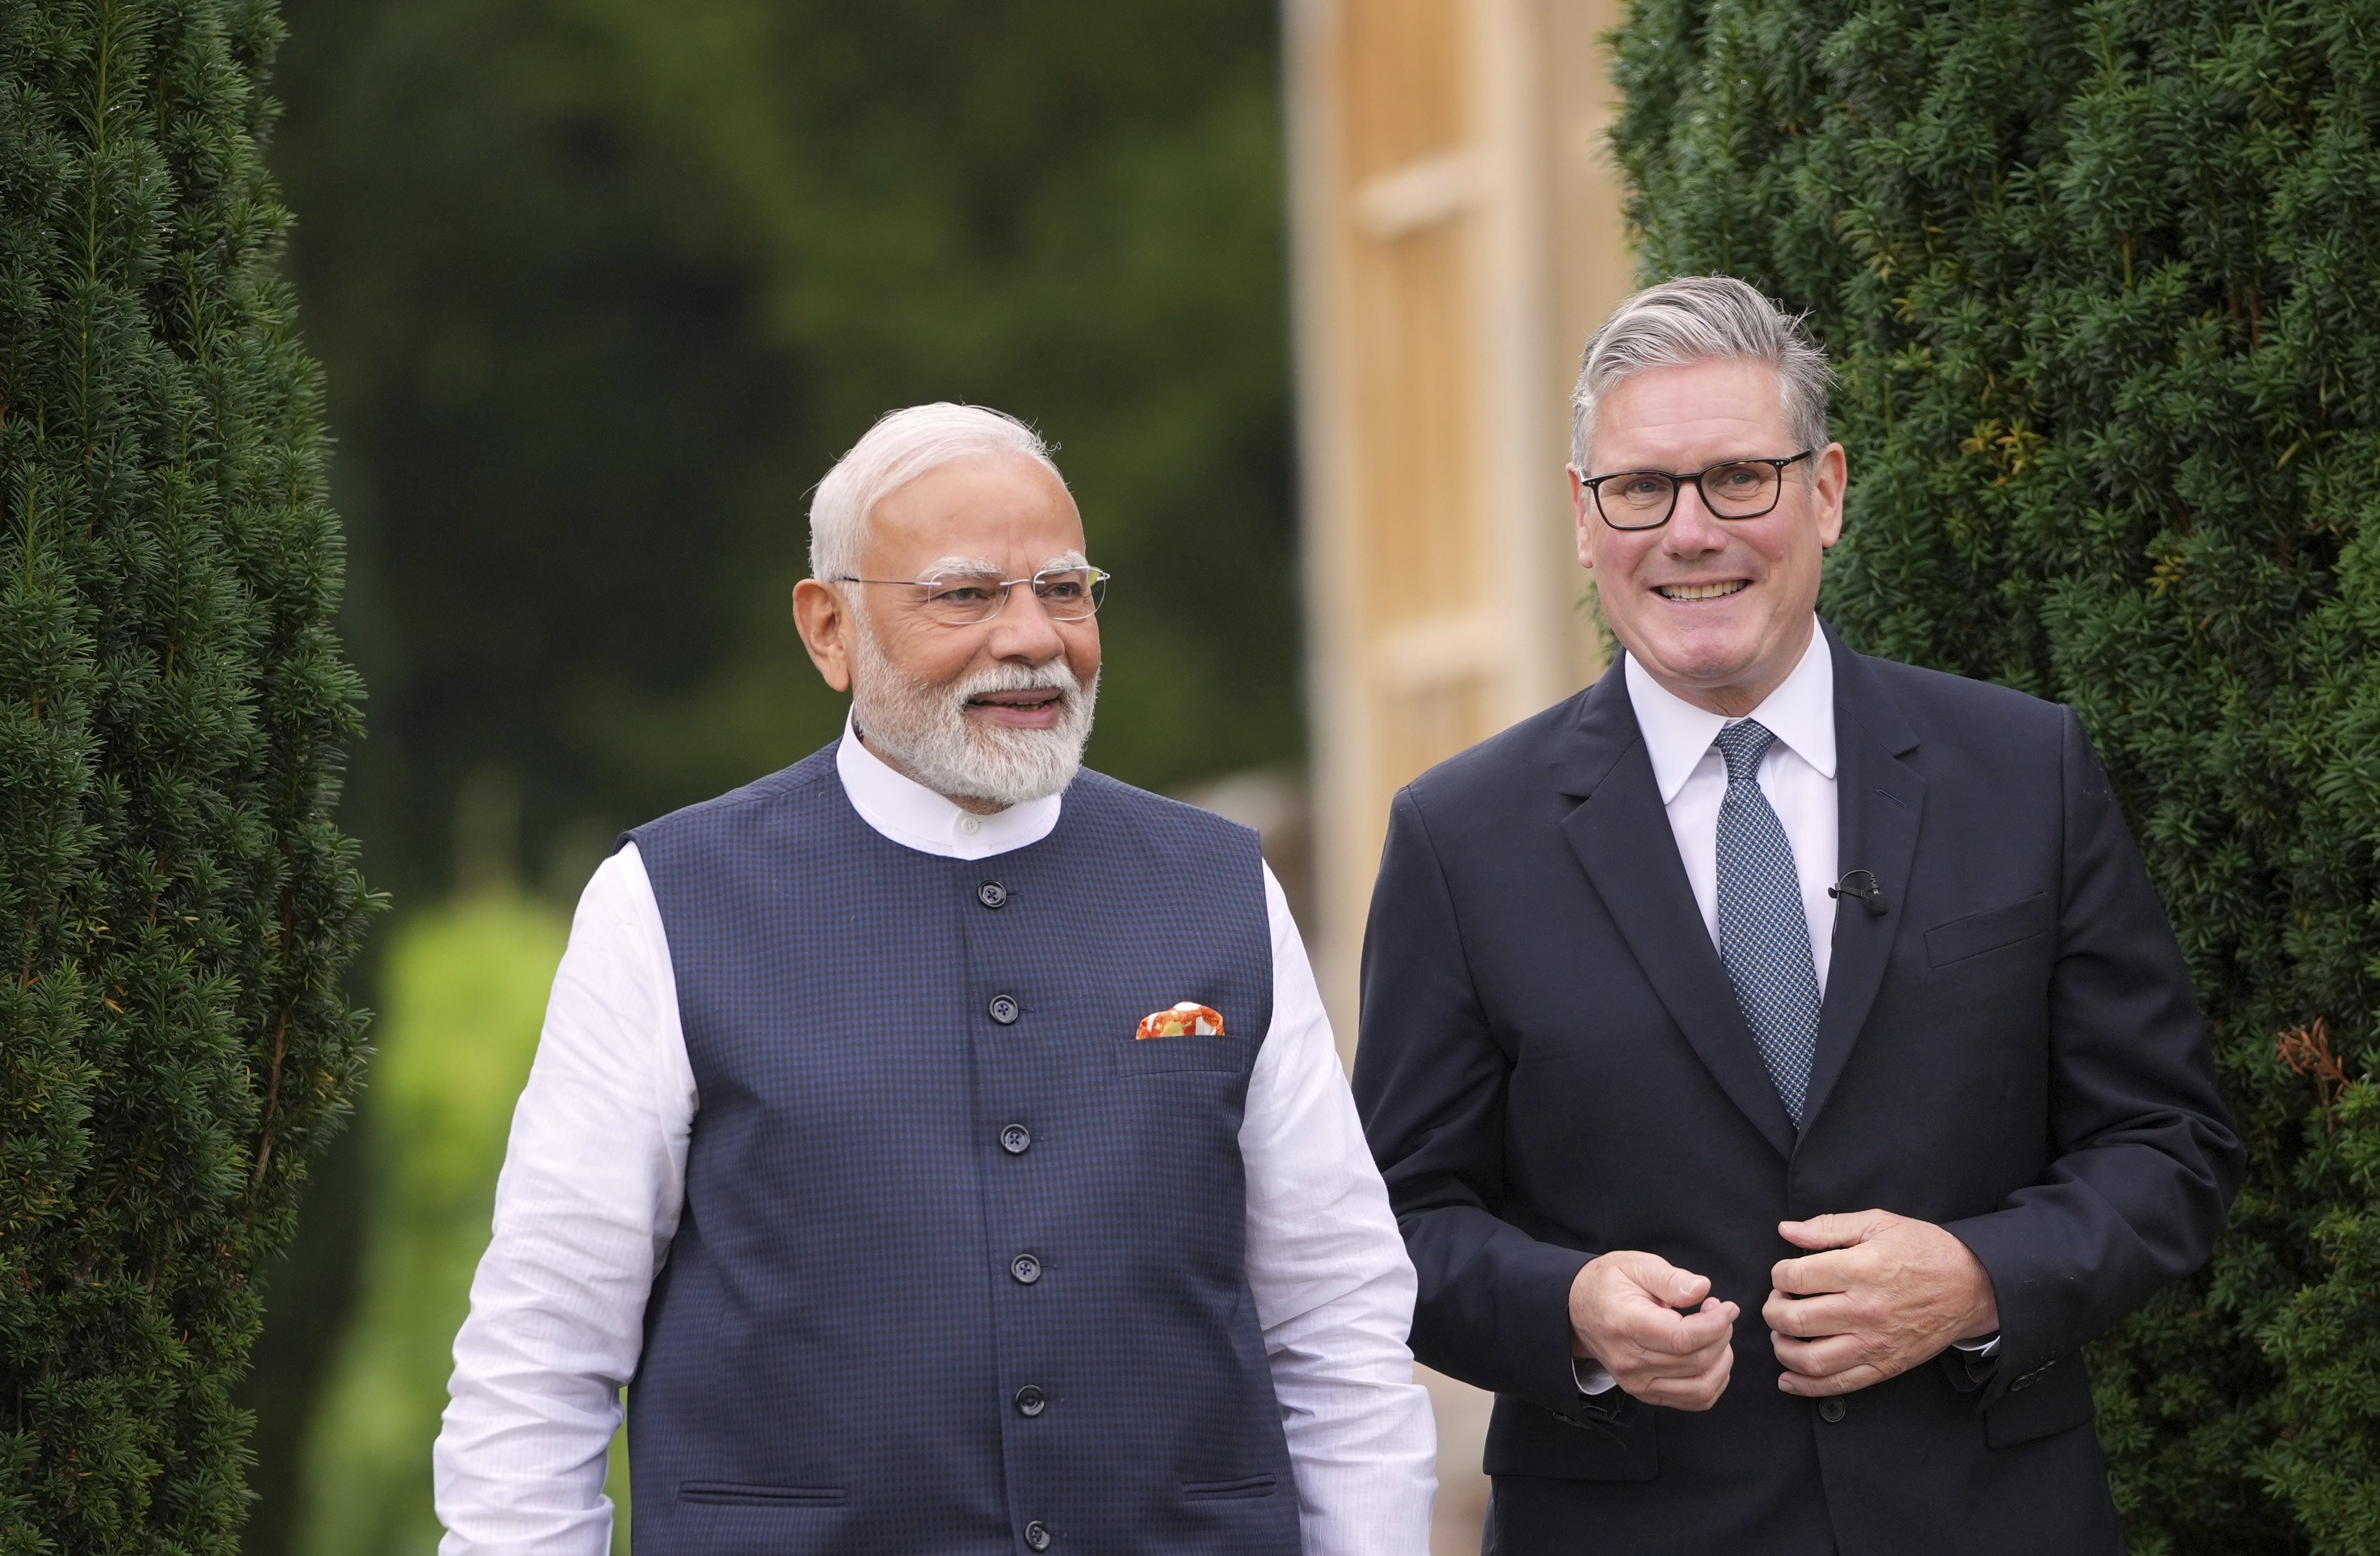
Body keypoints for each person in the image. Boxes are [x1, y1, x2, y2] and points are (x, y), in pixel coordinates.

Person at [433, 403, 1435, 1555]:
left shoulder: (1217, 883)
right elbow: (543, 1352)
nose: (1033, 637)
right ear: (829, 627)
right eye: (967, 594)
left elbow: (1339, 1318)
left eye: (1065, 589)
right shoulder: (666, 901)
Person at [1351, 276, 2241, 1554]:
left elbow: (2170, 1142)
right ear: (1583, 516)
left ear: (1825, 489)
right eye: (1641, 488)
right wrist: (1572, 1307)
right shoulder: (1460, 835)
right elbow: (1392, 1220)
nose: (1689, 531)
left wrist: (1980, 1277)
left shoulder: (2020, 768)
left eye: (1738, 479)